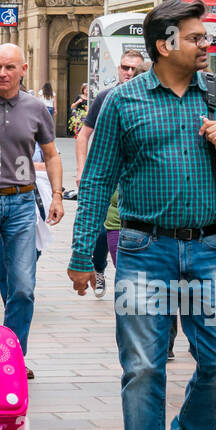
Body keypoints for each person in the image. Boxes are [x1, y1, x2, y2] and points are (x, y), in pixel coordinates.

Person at [69, 0, 216, 430]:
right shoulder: (124, 102)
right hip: (143, 251)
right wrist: (84, 255)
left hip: (211, 248)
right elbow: (99, 180)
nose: (205, 45)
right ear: (164, 44)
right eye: (195, 37)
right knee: (144, 366)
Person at [0, 44, 63, 366]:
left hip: (23, 203)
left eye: (10, 67)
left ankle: (12, 358)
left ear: (23, 70)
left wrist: (56, 195)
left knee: (22, 287)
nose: (2, 73)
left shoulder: (36, 108)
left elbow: (51, 154)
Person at [78, 50, 144, 294]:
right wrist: (82, 169)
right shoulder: (107, 96)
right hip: (106, 176)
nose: (128, 73)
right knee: (102, 229)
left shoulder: (148, 100)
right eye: (124, 68)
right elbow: (83, 135)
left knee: (114, 229)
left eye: (133, 69)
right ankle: (98, 267)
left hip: (132, 183)